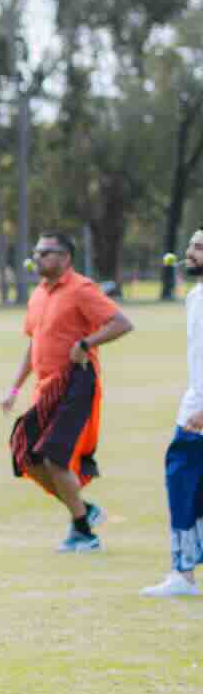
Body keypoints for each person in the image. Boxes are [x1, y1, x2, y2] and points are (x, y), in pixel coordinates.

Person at [2, 231, 134, 553]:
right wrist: (14, 387)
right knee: (25, 454)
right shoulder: (37, 295)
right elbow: (34, 344)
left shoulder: (81, 289)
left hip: (76, 383)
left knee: (54, 458)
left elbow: (121, 323)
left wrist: (86, 344)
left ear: (66, 257)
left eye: (46, 252)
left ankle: (84, 533)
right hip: (46, 389)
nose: (39, 258)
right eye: (37, 252)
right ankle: (84, 509)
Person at [143, 229, 203, 598]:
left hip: (198, 411)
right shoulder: (196, 296)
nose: (190, 252)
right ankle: (184, 571)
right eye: (191, 245)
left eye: (200, 247)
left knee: (182, 484)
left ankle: (183, 574)